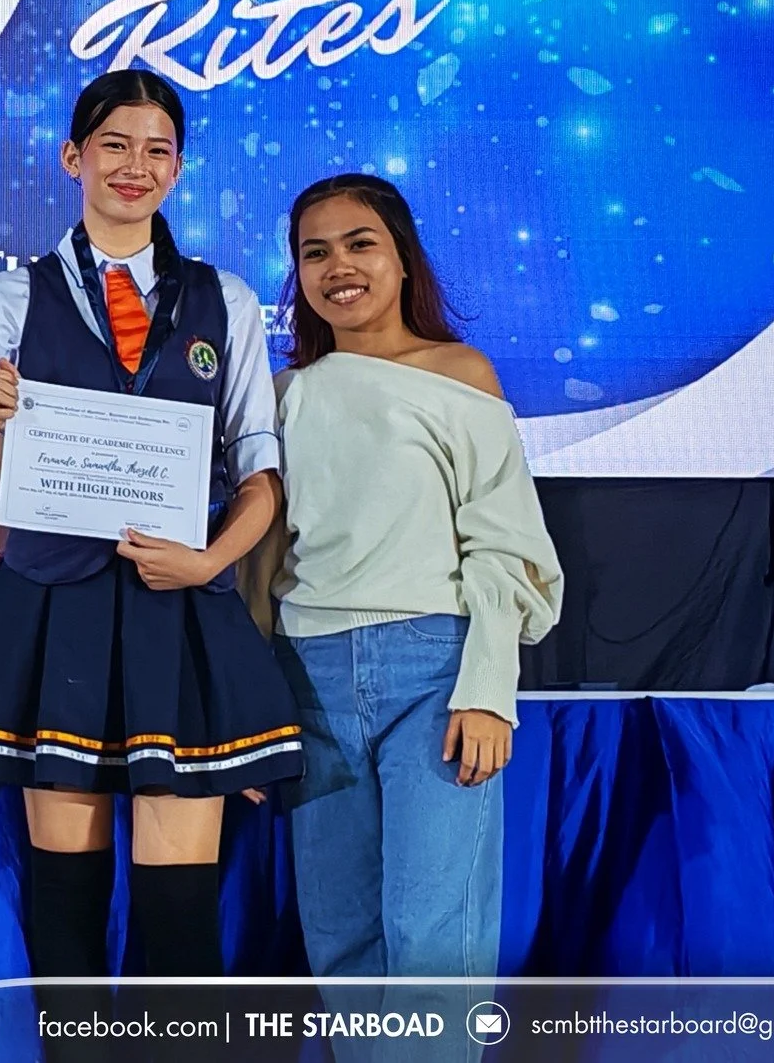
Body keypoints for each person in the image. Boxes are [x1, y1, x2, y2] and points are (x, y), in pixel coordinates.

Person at [0, 69, 305, 984]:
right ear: (73, 157)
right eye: (114, 145)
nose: (134, 166)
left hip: (176, 614)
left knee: (180, 920)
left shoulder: (224, 299)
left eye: (156, 150)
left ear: (178, 168)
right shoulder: (10, 299)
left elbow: (260, 475)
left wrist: (207, 562)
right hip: (51, 610)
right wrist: (4, 430)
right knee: (64, 913)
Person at [264, 173, 562, 1049]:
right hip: (307, 677)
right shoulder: (284, 393)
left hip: (434, 672)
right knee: (342, 941)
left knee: (433, 936)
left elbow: (503, 544)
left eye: (360, 244)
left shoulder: (460, 373)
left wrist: (488, 688)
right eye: (315, 252)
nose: (339, 266)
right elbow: (259, 560)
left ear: (402, 258)